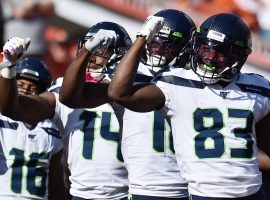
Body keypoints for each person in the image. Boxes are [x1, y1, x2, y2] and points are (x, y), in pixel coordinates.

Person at [108, 13, 270, 199]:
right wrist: (141, 39)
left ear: (238, 56)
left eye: (221, 51)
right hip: (203, 193)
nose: (210, 57)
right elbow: (118, 93)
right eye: (205, 48)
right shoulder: (175, 82)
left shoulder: (257, 88)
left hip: (252, 192)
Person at [59, 9, 195, 200]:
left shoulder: (192, 81)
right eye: (155, 42)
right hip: (141, 187)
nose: (158, 48)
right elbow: (71, 97)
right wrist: (88, 50)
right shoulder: (127, 76)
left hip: (187, 185)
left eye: (168, 44)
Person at [0, 21, 131, 200]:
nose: (92, 56)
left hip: (129, 191)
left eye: (101, 51)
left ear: (120, 55)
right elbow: (13, 108)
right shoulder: (62, 89)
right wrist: (9, 67)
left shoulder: (134, 90)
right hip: (82, 193)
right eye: (89, 48)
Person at [0, 56, 66, 199]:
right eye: (20, 85)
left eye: (32, 88)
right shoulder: (2, 122)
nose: (24, 91)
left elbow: (56, 183)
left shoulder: (52, 130)